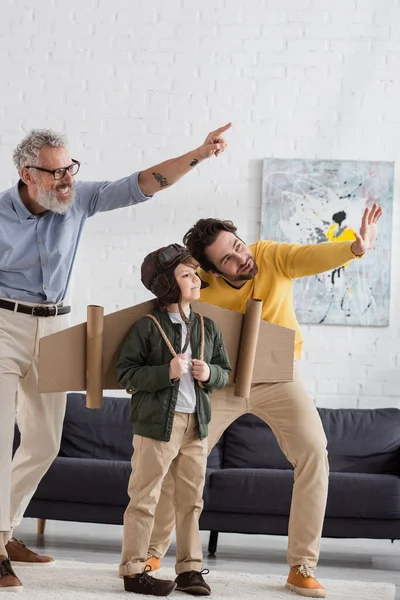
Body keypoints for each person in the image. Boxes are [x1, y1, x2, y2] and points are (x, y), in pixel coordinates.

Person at [0, 123, 231, 592]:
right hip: (3, 324)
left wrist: (200, 154)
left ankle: (5, 529)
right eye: (55, 172)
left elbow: (141, 184)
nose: (67, 179)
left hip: (55, 326)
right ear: (27, 173)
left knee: (43, 442)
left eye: (70, 168)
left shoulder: (78, 199)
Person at [145, 205, 382, 599]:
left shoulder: (271, 256)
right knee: (183, 456)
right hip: (219, 382)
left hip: (278, 378)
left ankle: (301, 567)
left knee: (314, 453)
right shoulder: (199, 286)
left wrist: (354, 249)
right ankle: (152, 555)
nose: (242, 258)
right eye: (228, 259)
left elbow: (311, 255)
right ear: (212, 271)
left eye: (239, 247)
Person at [116, 243, 231, 596]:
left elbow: (225, 372)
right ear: (167, 284)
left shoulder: (206, 327)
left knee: (191, 500)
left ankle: (190, 569)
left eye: (195, 272)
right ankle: (135, 571)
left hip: (196, 426)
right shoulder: (147, 327)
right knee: (145, 496)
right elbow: (126, 375)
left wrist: (209, 373)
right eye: (186, 274)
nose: (196, 278)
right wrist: (165, 372)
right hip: (155, 427)